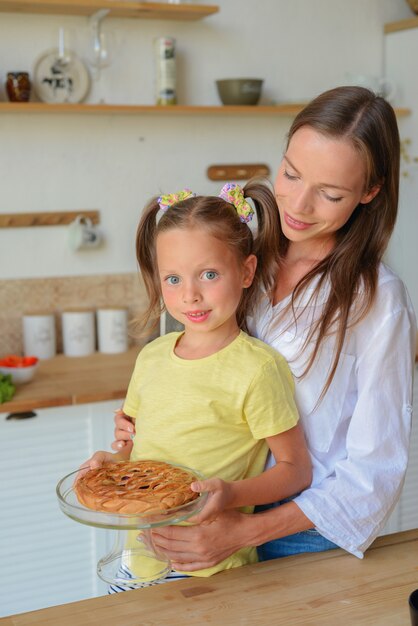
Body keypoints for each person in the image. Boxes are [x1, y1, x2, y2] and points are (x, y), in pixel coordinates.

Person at [113, 86, 416, 570]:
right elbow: (209, 373)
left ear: (370, 191)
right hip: (209, 513)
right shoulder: (242, 260)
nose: (298, 203)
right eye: (291, 174)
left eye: (331, 193)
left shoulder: (378, 299)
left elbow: (374, 470)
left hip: (305, 533)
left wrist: (248, 530)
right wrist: (149, 419)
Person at [80, 180, 312, 585]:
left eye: (208, 274)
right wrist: (109, 464)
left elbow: (296, 470)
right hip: (139, 561)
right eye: (173, 279)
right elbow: (136, 451)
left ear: (246, 271)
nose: (190, 295)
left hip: (214, 569)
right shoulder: (151, 357)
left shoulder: (257, 369)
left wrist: (233, 494)